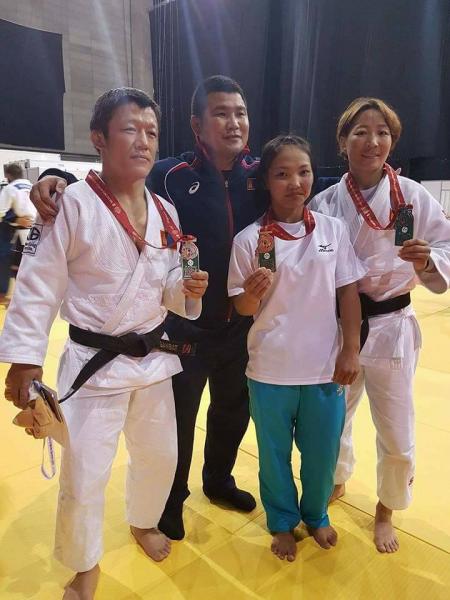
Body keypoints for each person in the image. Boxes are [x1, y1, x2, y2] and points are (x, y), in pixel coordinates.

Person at [29, 75, 268, 541]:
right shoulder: (171, 175)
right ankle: (169, 504)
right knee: (175, 425)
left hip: (239, 321)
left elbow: (305, 178)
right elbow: (116, 187)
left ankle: (219, 481)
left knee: (231, 411)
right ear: (197, 125)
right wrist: (55, 179)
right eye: (221, 113)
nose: (233, 122)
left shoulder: (261, 175)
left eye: (240, 113)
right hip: (182, 329)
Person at [0, 87, 208, 599]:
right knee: (85, 473)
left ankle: (143, 521)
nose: (143, 141)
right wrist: (24, 360)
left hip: (152, 360)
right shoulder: (70, 204)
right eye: (129, 129)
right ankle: (84, 565)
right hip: (93, 362)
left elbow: (165, 288)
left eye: (152, 132)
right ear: (98, 138)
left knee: (160, 455)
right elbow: (38, 283)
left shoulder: (166, 211)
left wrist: (187, 291)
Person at [310, 97, 450, 553]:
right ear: (342, 141)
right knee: (334, 419)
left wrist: (428, 260)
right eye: (361, 132)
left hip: (392, 324)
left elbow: (446, 245)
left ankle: (387, 508)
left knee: (396, 426)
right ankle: (336, 479)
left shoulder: (412, 195)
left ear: (393, 140)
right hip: (340, 329)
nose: (373, 141)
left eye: (383, 132)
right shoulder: (324, 202)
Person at [228, 135, 364, 561]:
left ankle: (317, 514)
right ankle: (282, 520)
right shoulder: (249, 239)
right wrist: (252, 293)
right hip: (270, 370)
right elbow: (242, 307)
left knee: (322, 455)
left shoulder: (333, 230)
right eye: (282, 174)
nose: (295, 182)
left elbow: (348, 292)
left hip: (324, 368)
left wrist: (351, 349)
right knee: (274, 457)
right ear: (266, 181)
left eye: (303, 172)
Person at [0, 162, 35, 304]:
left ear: (8, 176)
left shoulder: (10, 188)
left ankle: (4, 294)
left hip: (15, 230)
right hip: (34, 230)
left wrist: (15, 219)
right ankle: (26, 296)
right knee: (26, 264)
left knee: (7, 260)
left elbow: (1, 212)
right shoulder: (32, 186)